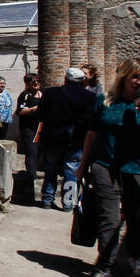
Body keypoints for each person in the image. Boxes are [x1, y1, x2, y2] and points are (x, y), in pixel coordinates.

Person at [76, 59, 140, 277]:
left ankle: (135, 255)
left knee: (137, 218)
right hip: (105, 166)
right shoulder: (105, 102)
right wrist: (83, 164)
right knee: (110, 218)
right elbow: (91, 135)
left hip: (137, 168)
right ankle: (106, 268)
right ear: (124, 78)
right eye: (135, 77)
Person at [37, 66, 96, 210]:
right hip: (75, 141)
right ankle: (68, 203)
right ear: (82, 81)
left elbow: (40, 115)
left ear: (66, 79)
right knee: (71, 172)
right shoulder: (89, 97)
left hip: (53, 138)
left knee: (50, 169)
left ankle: (46, 200)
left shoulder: (50, 93)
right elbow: (90, 121)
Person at [15, 73, 43, 175]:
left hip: (40, 127)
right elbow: (20, 112)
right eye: (33, 82)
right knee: (32, 150)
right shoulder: (25, 95)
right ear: (27, 84)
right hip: (28, 128)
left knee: (39, 151)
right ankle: (31, 175)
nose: (36, 83)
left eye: (38, 81)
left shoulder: (42, 94)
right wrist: (34, 109)